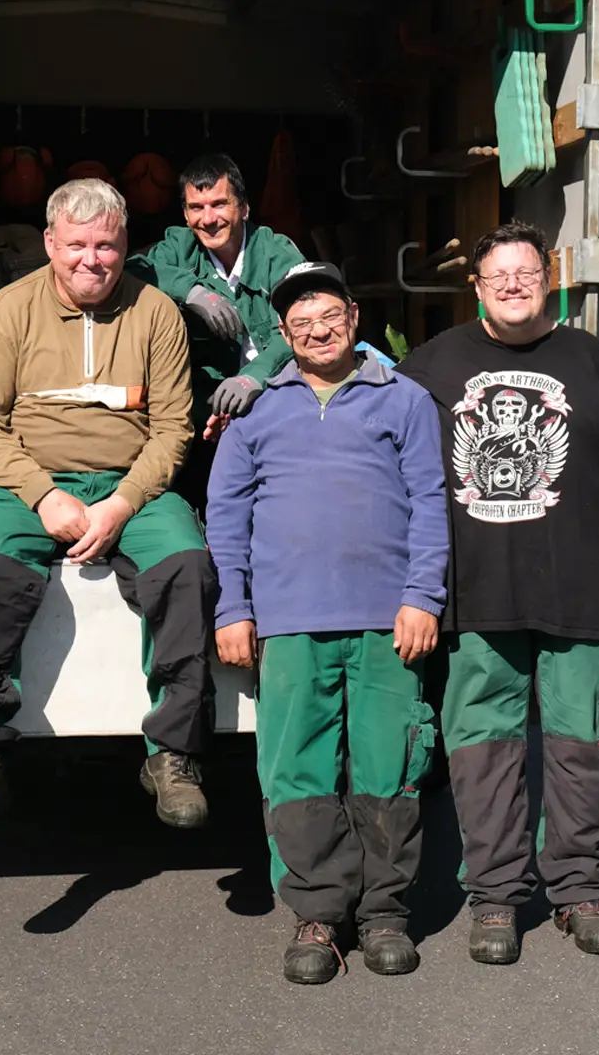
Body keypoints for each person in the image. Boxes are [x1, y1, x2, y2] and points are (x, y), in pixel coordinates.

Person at [398, 220, 599, 964]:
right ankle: (495, 898)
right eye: (498, 275)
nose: (513, 284)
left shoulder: (590, 359)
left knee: (580, 749)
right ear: (475, 287)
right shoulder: (432, 366)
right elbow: (381, 452)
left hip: (577, 597)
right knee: (484, 754)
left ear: (548, 280)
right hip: (475, 599)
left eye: (527, 273)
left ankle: (579, 891)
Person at [0, 178, 217, 847]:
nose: (93, 260)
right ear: (50, 245)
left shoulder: (155, 312)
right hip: (26, 483)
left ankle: (174, 754)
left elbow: (174, 427)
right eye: (78, 247)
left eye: (108, 246)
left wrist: (121, 504)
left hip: (130, 481)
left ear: (125, 246)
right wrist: (43, 494)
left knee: (187, 567)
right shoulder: (8, 310)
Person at [208, 261, 449, 985]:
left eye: (329, 317)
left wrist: (423, 596)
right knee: (296, 773)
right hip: (289, 624)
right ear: (284, 334)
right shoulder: (258, 413)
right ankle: (319, 915)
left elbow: (432, 502)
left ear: (353, 317)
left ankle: (384, 914)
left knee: (390, 766)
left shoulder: (403, 400)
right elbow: (226, 516)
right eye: (300, 323)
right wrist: (234, 607)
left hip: (387, 621)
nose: (317, 331)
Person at [129, 154, 305, 493]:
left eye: (219, 204)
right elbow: (131, 270)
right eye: (197, 207)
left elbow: (301, 327)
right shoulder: (178, 247)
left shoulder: (275, 252)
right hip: (201, 413)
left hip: (272, 402)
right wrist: (192, 292)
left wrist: (254, 379)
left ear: (244, 208)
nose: (208, 219)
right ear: (185, 214)